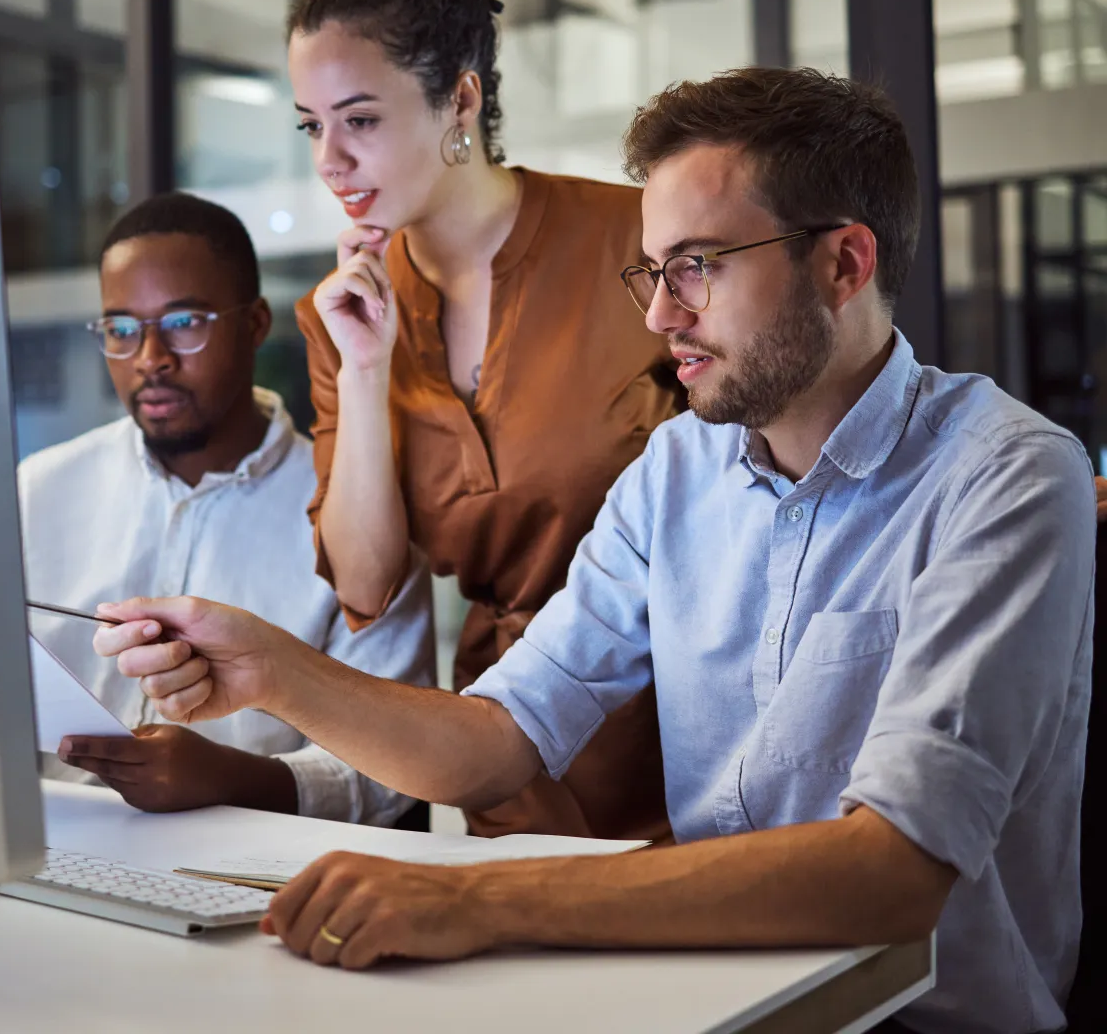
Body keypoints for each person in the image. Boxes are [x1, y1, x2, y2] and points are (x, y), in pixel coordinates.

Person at [95, 69, 1092, 1034]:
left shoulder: (1003, 478)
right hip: (719, 998)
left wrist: (489, 902)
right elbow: (495, 742)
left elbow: (890, 873)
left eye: (698, 264)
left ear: (843, 264)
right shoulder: (676, 472)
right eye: (652, 271)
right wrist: (270, 668)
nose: (659, 316)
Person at [289, 0, 681, 840]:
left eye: (360, 119)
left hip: (684, 736)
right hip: (501, 759)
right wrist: (370, 365)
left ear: (459, 98)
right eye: (311, 126)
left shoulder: (638, 239)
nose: (328, 163)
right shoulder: (343, 316)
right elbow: (368, 586)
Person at [19, 191, 434, 826]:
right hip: (50, 848)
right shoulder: (39, 491)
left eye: (184, 322)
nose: (149, 358)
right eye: (121, 330)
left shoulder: (355, 515)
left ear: (256, 324)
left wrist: (235, 779)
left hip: (255, 874)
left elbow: (398, 771)